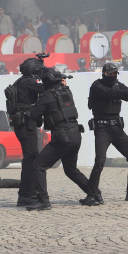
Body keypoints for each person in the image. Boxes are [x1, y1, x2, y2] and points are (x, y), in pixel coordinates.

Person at [26, 67, 92, 211]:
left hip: (62, 137)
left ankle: (43, 201)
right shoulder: (67, 91)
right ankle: (94, 194)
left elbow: (35, 114)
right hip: (75, 134)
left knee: (38, 165)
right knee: (70, 169)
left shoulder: (47, 96)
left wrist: (29, 109)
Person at [86, 63, 128, 205]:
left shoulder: (117, 85)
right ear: (104, 74)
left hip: (116, 127)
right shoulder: (97, 86)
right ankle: (91, 194)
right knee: (100, 161)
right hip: (102, 127)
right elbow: (111, 94)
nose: (113, 76)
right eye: (110, 74)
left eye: (115, 74)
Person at [9, 56, 47, 207]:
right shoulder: (28, 82)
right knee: (31, 158)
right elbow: (45, 88)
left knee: (30, 158)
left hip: (23, 123)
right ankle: (26, 194)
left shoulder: (21, 81)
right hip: (26, 124)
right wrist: (51, 77)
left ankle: (29, 193)